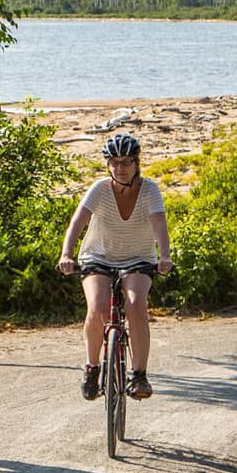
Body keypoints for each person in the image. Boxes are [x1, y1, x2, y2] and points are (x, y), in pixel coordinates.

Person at [57, 132, 172, 400]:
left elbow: (159, 225)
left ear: (136, 163)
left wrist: (164, 256)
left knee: (135, 305)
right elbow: (77, 223)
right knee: (97, 307)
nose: (120, 169)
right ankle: (92, 368)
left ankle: (139, 375)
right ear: (108, 164)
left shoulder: (150, 189)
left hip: (139, 258)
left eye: (126, 162)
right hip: (97, 257)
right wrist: (66, 254)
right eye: (114, 163)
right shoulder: (99, 189)